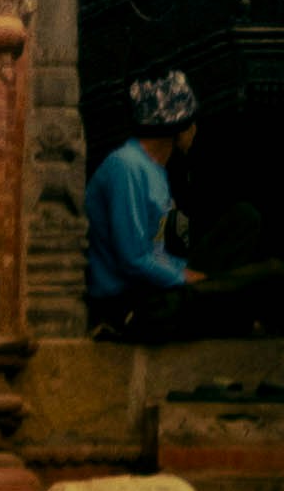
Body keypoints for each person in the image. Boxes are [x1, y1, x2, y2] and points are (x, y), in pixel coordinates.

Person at [86, 70, 206, 338]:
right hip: (127, 302)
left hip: (153, 285)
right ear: (175, 129)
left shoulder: (155, 169)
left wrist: (182, 270)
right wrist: (184, 277)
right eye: (191, 124)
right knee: (268, 275)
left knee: (244, 221)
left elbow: (157, 250)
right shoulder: (126, 167)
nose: (195, 131)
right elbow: (134, 259)